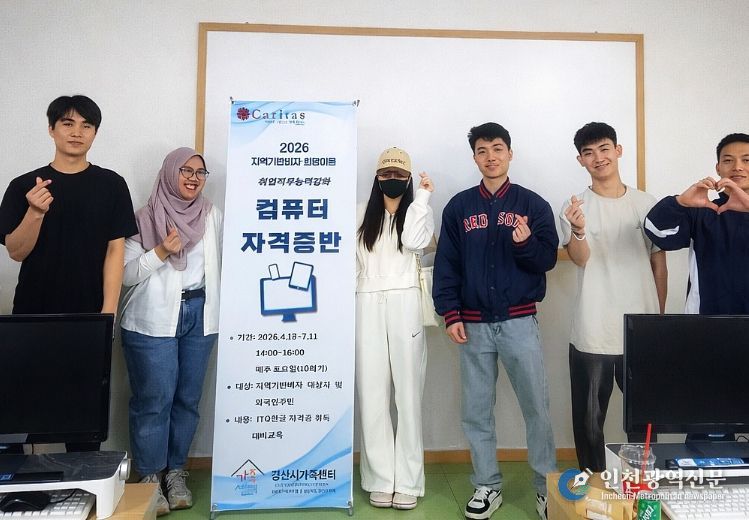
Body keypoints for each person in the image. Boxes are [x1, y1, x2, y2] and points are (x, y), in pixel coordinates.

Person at [433, 123, 557, 520]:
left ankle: (545, 488)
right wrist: (450, 313)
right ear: (474, 157)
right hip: (472, 325)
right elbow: (447, 265)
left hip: (519, 321)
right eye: (482, 150)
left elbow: (546, 260)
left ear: (510, 153)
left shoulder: (533, 205)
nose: (491, 157)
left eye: (498, 148)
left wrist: (525, 243)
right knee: (476, 410)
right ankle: (487, 485)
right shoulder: (459, 207)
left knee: (536, 407)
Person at [0, 94, 137, 453]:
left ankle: (84, 483)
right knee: (18, 414)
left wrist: (107, 315)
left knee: (82, 421)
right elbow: (16, 251)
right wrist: (34, 212)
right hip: (32, 317)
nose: (77, 132)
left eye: (86, 125)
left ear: (95, 133)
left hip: (88, 318)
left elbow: (115, 251)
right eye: (67, 123)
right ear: (51, 129)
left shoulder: (111, 184)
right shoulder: (24, 186)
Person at [119, 147, 221, 516]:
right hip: (151, 320)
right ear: (169, 173)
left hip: (200, 316)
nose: (193, 178)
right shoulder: (144, 218)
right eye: (185, 170)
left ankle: (175, 472)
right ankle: (150, 476)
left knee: (187, 400)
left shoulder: (211, 216)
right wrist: (161, 251)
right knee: (154, 401)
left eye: (200, 172)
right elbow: (125, 275)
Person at [560, 122, 667, 472]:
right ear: (580, 160)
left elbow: (659, 262)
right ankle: (593, 484)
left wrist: (657, 319)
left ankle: (640, 484)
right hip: (594, 327)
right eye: (588, 153)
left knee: (644, 419)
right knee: (589, 420)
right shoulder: (575, 206)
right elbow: (580, 258)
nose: (598, 158)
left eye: (604, 149)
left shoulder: (646, 203)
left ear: (618, 151)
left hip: (640, 327)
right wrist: (578, 230)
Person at [355, 147, 434, 510]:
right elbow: (349, 266)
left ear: (409, 178)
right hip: (366, 301)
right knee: (372, 393)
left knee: (408, 394)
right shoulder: (359, 214)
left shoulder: (419, 213)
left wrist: (424, 198)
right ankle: (380, 478)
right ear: (376, 177)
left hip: (406, 302)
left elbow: (414, 243)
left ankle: (409, 480)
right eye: (385, 173)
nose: (392, 179)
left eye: (399, 174)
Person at [644, 133, 749, 315]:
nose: (738, 167)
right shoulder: (704, 211)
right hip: (706, 320)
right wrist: (679, 203)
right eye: (728, 160)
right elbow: (657, 232)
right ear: (718, 168)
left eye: (746, 160)